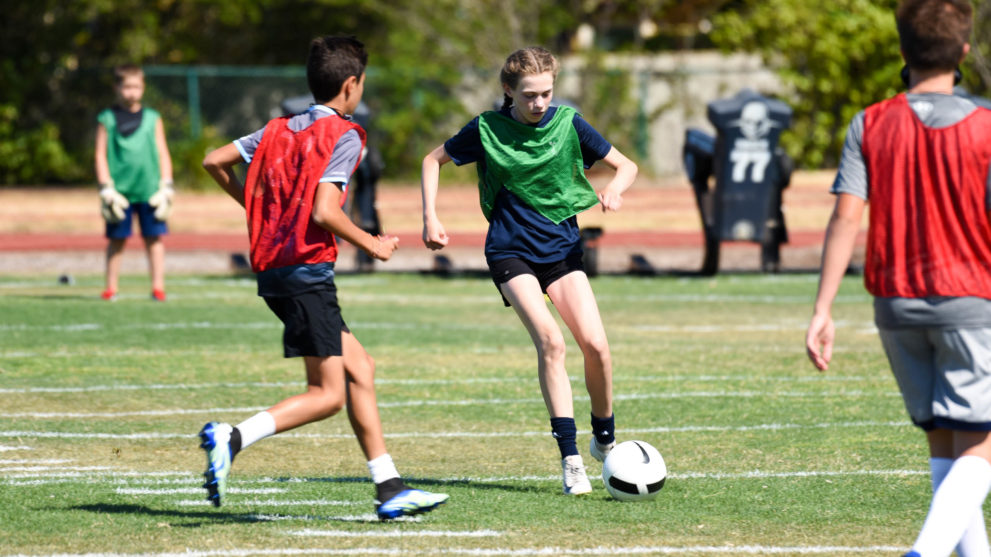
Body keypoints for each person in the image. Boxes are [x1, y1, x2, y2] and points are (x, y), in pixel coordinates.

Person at [200, 35, 448, 520]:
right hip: (305, 272)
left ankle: (389, 487)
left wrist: (255, 205)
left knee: (361, 369)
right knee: (328, 395)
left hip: (274, 268)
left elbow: (214, 160)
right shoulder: (347, 135)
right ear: (351, 85)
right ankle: (232, 437)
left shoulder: (275, 129)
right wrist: (372, 243)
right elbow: (326, 211)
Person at [805, 1, 991, 555]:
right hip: (971, 298)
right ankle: (923, 552)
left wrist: (822, 308)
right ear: (962, 53)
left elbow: (845, 216)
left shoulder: (870, 121)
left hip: (894, 304)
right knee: (980, 448)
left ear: (903, 52)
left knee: (946, 440)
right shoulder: (985, 126)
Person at [420, 46, 638, 495]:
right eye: (529, 95)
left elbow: (627, 165)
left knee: (596, 346)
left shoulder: (567, 123)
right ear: (508, 90)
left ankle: (604, 436)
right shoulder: (486, 129)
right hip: (509, 251)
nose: (539, 104)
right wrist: (430, 217)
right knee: (551, 341)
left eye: (546, 94)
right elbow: (431, 160)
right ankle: (571, 459)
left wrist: (614, 188)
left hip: (561, 250)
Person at [94, 64, 174, 302]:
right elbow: (99, 154)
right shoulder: (106, 118)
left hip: (150, 191)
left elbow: (163, 151)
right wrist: (105, 187)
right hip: (119, 193)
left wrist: (167, 185)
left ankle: (158, 288)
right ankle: (111, 287)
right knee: (117, 240)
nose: (132, 91)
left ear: (143, 88)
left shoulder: (153, 117)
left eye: (136, 86)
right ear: (117, 87)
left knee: (154, 239)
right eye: (127, 86)